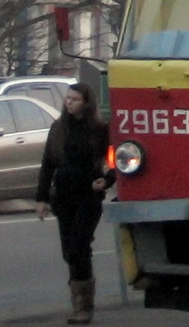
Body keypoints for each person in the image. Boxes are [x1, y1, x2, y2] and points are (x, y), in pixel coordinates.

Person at [36, 82, 115, 325]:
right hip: (64, 197)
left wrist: (107, 180)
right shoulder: (58, 129)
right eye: (68, 98)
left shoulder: (100, 131)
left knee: (80, 246)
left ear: (86, 103)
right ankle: (79, 301)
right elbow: (48, 164)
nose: (69, 102)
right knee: (70, 251)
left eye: (75, 99)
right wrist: (42, 199)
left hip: (88, 196)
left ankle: (83, 308)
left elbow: (114, 160)